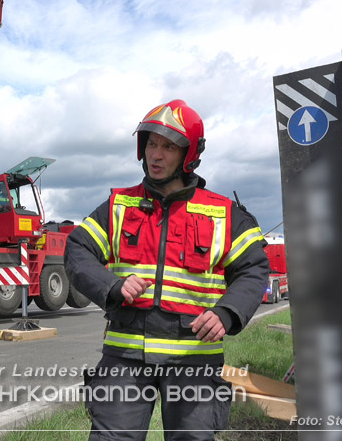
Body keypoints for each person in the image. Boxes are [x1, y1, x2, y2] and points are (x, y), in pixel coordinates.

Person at [64, 99, 269, 440]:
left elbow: (253, 270)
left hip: (195, 359)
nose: (155, 155)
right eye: (151, 144)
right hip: (125, 357)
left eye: (168, 147)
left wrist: (227, 312)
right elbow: (77, 249)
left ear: (188, 155)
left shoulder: (224, 213)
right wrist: (111, 285)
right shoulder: (118, 205)